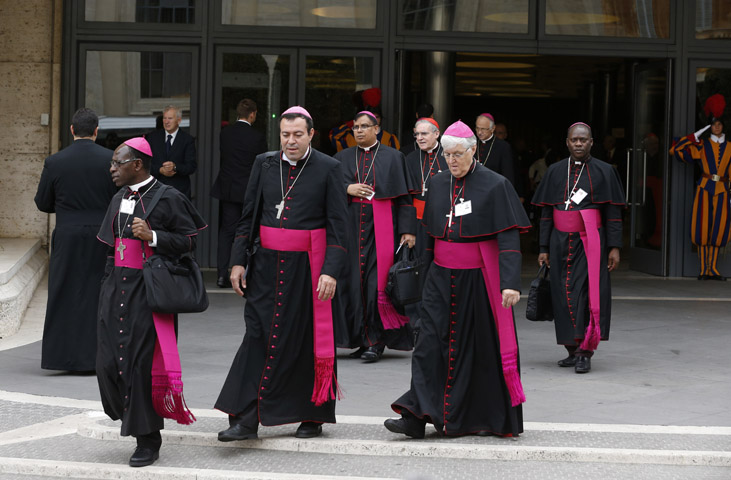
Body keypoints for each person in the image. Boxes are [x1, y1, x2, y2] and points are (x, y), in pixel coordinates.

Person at [384, 120, 529, 439]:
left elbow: (507, 238)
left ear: (473, 151)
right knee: (427, 344)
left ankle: (480, 417)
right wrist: (422, 275)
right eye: (447, 155)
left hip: (479, 280)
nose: (451, 160)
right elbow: (429, 234)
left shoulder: (496, 185)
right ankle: (416, 415)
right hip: (439, 278)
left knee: (476, 349)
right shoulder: (436, 183)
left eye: (457, 154)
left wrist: (510, 282)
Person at [215, 106, 348, 441]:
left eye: (297, 135)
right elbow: (248, 216)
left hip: (308, 267)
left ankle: (311, 414)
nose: (291, 141)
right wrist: (237, 261)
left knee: (304, 340)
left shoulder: (329, 168)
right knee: (257, 336)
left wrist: (330, 271)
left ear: (310, 135)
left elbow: (338, 227)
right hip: (265, 266)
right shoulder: (264, 163)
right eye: (285, 135)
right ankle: (246, 416)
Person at [96, 137, 206, 467]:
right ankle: (128, 413)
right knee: (107, 362)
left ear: (138, 164)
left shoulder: (169, 197)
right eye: (113, 163)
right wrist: (104, 289)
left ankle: (148, 439)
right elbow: (110, 246)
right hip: (116, 286)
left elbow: (189, 241)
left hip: (148, 289)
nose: (112, 168)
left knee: (140, 364)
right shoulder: (119, 197)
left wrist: (153, 236)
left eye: (118, 162)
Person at [532, 122, 625, 374]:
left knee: (587, 294)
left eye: (583, 140)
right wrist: (543, 247)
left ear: (591, 142)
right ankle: (571, 350)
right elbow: (547, 214)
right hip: (560, 243)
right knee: (562, 295)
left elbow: (613, 214)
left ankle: (586, 350)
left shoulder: (605, 171)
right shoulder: (554, 171)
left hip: (591, 241)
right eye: (574, 140)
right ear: (567, 142)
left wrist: (614, 247)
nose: (579, 144)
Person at [34, 107, 117, 372]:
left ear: (72, 130)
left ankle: (63, 357)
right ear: (96, 131)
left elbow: (43, 202)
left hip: (68, 234)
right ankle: (99, 357)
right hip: (102, 235)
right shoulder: (110, 160)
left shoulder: (55, 161)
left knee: (64, 293)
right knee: (100, 294)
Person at [334, 111, 417, 363]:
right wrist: (346, 187)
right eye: (355, 127)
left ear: (377, 129)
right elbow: (325, 191)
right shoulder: (341, 158)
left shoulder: (394, 158)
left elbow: (404, 198)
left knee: (375, 287)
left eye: (364, 127)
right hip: (349, 232)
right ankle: (360, 338)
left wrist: (408, 230)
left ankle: (376, 341)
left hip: (380, 233)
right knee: (351, 287)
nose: (358, 131)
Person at [670, 94, 731, 281]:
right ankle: (704, 269)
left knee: (719, 229)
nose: (717, 127)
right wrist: (696, 134)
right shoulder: (702, 145)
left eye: (719, 124)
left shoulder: (730, 147)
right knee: (702, 228)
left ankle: (713, 269)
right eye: (713, 124)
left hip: (723, 189)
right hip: (705, 188)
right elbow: (676, 150)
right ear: (709, 126)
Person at [211, 98, 268, 288]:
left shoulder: (225, 133)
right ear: (252, 114)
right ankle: (245, 272)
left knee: (227, 232)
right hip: (248, 191)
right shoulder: (257, 137)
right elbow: (262, 166)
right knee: (248, 232)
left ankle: (221, 274)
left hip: (228, 189)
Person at [404, 117, 447, 258]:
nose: (419, 138)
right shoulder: (409, 159)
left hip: (444, 221)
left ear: (436, 134)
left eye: (424, 134)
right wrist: (408, 229)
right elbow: (405, 198)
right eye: (417, 134)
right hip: (418, 223)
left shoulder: (448, 156)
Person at [148, 105, 197, 199]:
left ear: (179, 120)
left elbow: (191, 166)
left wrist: (175, 167)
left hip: (179, 192)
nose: (166, 121)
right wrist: (159, 170)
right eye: (164, 118)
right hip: (156, 191)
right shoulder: (152, 138)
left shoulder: (187, 139)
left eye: (170, 118)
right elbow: (146, 164)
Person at [474, 113, 516, 188]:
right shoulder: (472, 144)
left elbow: (508, 175)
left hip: (493, 190)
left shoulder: (503, 147)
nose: (479, 132)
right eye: (477, 128)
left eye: (483, 129)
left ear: (493, 128)